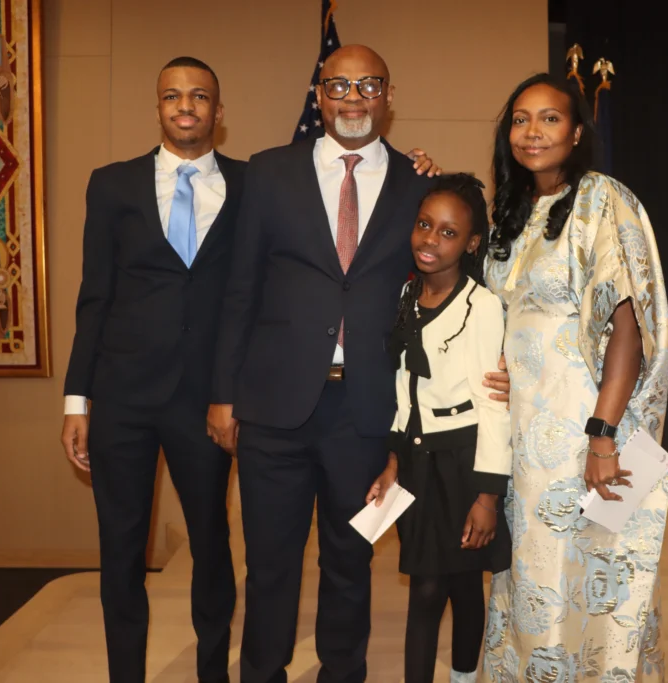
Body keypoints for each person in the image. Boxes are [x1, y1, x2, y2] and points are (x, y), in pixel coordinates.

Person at [207, 45, 511, 683]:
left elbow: (452, 281)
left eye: (368, 85)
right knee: (269, 562)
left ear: (388, 96)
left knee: (350, 556)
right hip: (274, 404)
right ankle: (262, 673)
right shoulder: (267, 172)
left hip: (370, 406)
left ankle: (341, 673)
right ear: (319, 94)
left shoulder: (418, 183)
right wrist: (222, 392)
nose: (353, 97)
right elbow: (241, 288)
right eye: (339, 85)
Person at [480, 74, 668, 682]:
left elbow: (628, 324)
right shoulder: (513, 212)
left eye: (550, 119)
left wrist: (603, 434)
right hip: (525, 435)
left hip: (590, 430)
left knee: (600, 579)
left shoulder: (603, 200)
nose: (532, 131)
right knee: (535, 575)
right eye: (520, 119)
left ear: (578, 131)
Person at [60, 57, 243, 683]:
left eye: (198, 96)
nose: (184, 105)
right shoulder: (112, 184)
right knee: (121, 551)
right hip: (123, 398)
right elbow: (94, 297)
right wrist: (76, 402)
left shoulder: (253, 185)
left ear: (219, 113)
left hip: (208, 400)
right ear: (159, 107)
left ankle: (213, 671)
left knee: (212, 547)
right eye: (172, 95)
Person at [366, 173, 511, 683]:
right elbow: (405, 390)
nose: (431, 239)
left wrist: (489, 497)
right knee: (429, 584)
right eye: (425, 225)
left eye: (449, 232)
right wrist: (391, 462)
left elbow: (495, 407)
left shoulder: (482, 306)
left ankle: (464, 676)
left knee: (462, 584)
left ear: (472, 243)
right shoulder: (406, 295)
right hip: (414, 459)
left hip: (463, 463)